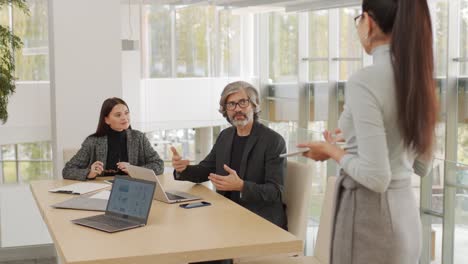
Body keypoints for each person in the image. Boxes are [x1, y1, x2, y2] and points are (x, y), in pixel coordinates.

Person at [298, 1, 437, 263]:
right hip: (406, 220)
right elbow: (422, 164)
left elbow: (377, 177)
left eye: (358, 19)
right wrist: (348, 145)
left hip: (370, 222)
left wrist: (331, 150)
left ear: (369, 22)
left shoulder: (365, 80)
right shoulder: (417, 76)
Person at [171, 81, 287, 264]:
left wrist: (241, 186)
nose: (237, 109)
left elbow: (276, 191)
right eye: (231, 104)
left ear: (254, 105)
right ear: (225, 110)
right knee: (186, 242)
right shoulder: (226, 136)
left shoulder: (273, 141)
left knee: (205, 256)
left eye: (243, 102)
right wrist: (183, 169)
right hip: (226, 215)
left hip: (259, 220)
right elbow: (205, 170)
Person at [63, 97, 164, 180]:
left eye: (126, 112)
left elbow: (159, 165)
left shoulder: (139, 138)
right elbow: (67, 170)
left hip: (132, 188)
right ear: (106, 120)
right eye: (118, 115)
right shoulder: (93, 141)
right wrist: (90, 173)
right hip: (100, 190)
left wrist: (134, 170)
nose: (124, 117)